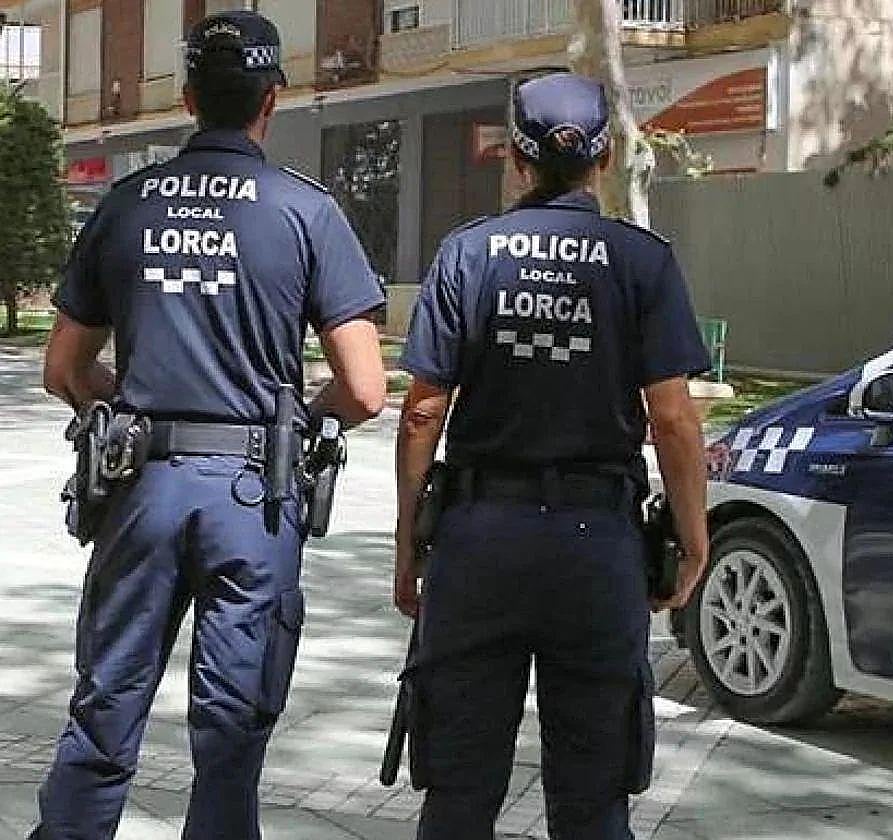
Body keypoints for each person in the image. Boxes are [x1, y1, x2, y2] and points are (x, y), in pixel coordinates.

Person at [34, 11, 387, 839]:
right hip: (252, 499)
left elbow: (63, 370)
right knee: (230, 734)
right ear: (274, 99)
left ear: (189, 98)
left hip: (140, 488)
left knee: (104, 712)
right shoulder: (306, 212)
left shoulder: (126, 205)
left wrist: (132, 399)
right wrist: (295, 416)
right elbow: (367, 390)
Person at [392, 72, 710, 839]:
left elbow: (424, 408)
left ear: (516, 160)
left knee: (459, 791)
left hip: (479, 541)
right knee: (595, 795)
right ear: (604, 159)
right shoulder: (642, 261)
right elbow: (671, 419)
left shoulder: (468, 254)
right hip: (596, 546)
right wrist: (694, 541)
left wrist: (410, 543)